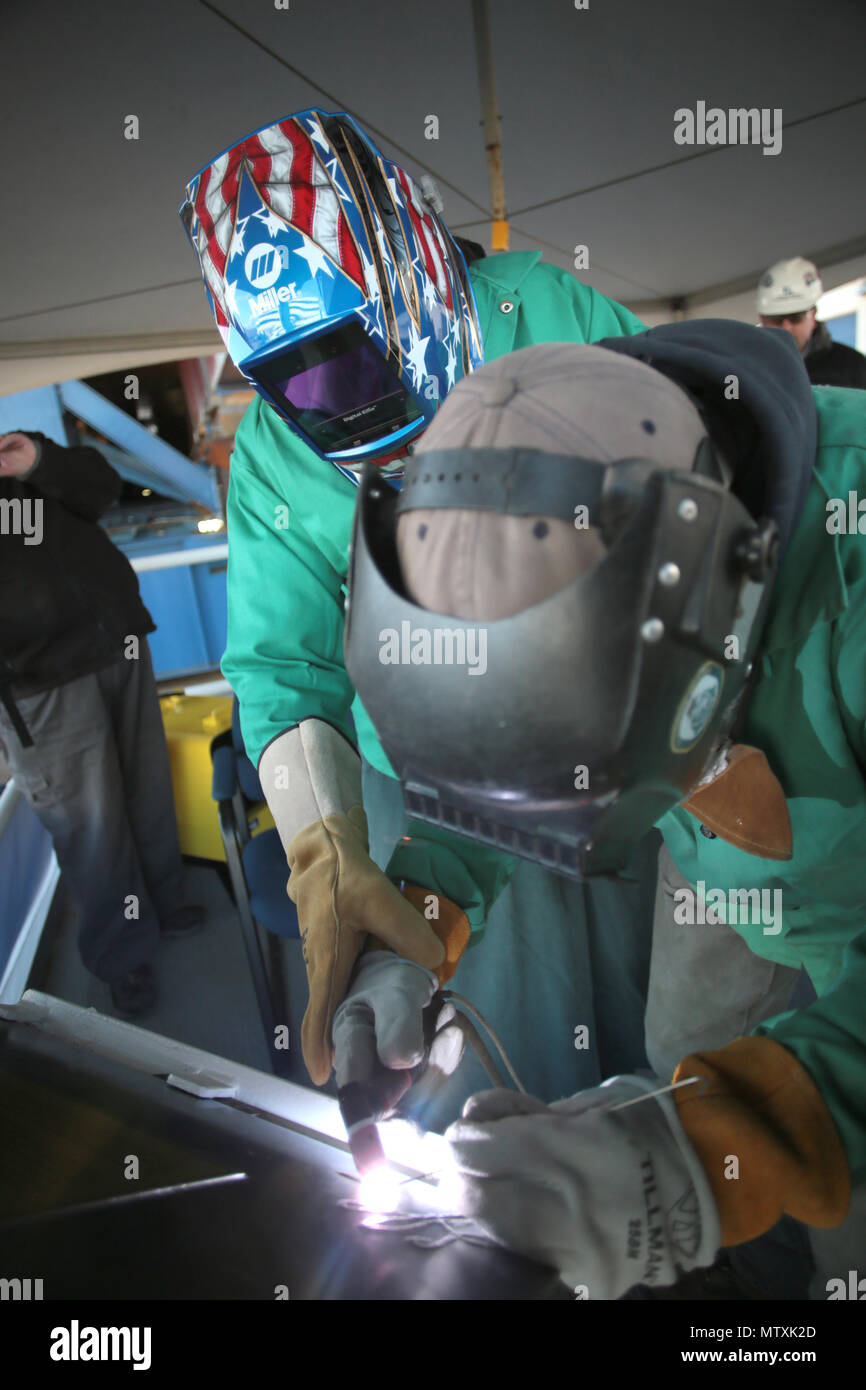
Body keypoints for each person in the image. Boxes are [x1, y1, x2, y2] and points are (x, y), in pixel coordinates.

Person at [342, 324, 865, 1299]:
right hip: (722, 850)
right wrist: (411, 929)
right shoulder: (583, 540)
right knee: (685, 1058)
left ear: (710, 608)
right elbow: (497, 752)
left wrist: (718, 1146)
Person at [181, 106, 653, 1102]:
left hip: (623, 731)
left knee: (655, 1005)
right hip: (424, 772)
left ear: (414, 278)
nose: (342, 416)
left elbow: (678, 517)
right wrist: (325, 851)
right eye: (295, 385)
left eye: (353, 361)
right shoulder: (274, 450)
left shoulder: (548, 315)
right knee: (467, 1041)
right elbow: (283, 666)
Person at [0, 430, 202, 1016]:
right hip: (40, 682)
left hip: (117, 643)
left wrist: (38, 460)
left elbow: (102, 488)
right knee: (90, 825)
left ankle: (163, 902)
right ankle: (123, 956)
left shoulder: (24, 458)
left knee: (147, 788)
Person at [757, 256, 866, 388]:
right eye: (777, 319)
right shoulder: (745, 366)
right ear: (762, 318)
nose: (786, 327)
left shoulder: (853, 366)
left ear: (813, 315)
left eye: (795, 317)